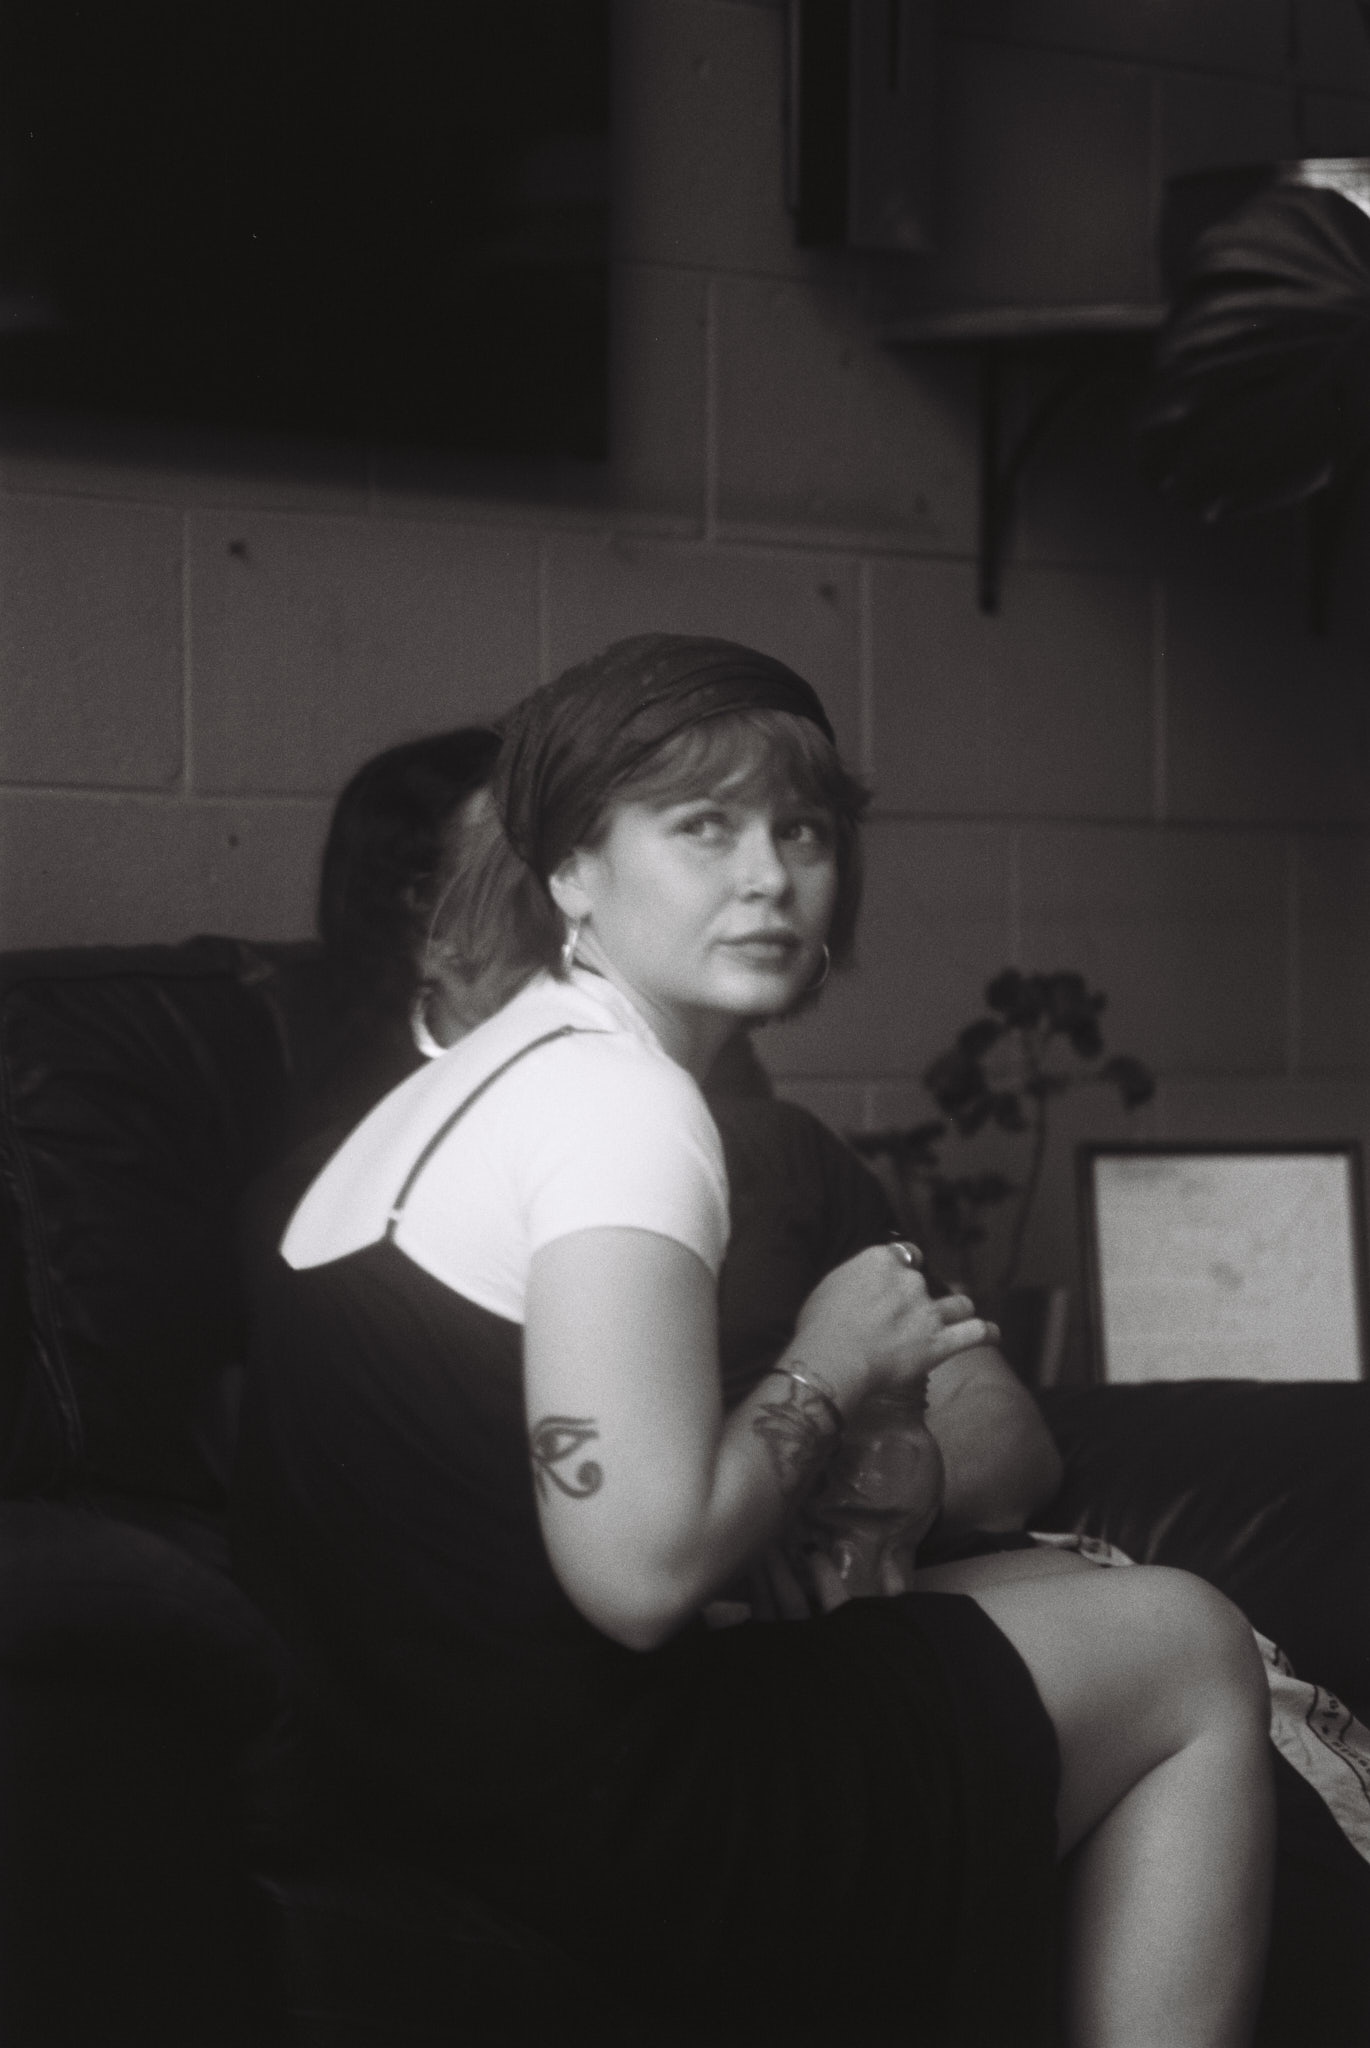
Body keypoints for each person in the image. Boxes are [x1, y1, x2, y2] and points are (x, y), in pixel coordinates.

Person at [234, 636, 1274, 2047]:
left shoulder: (488, 1078)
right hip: (606, 1828)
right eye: (702, 827)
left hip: (433, 1789)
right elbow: (641, 1575)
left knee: (1067, 1581)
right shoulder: (621, 1110)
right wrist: (834, 1357)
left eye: (802, 830)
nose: (770, 877)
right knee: (1186, 1640)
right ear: (571, 871)